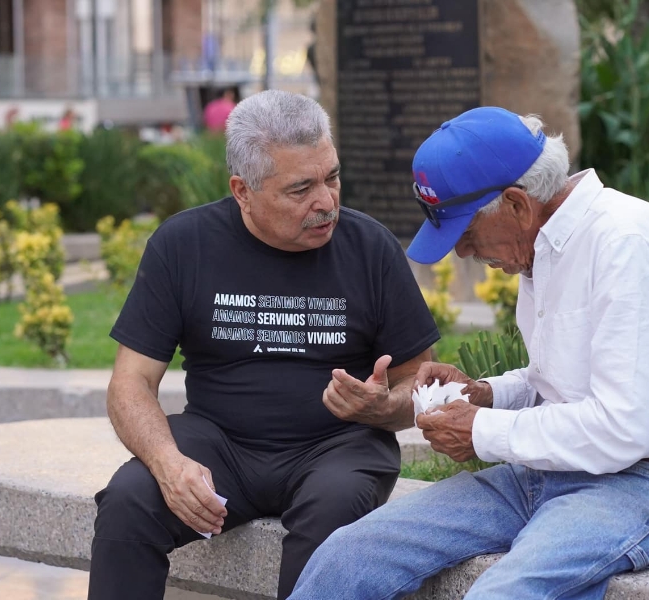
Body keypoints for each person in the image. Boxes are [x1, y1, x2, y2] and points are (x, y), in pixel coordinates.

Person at [289, 107, 649, 599]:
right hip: (550, 472)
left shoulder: (626, 244)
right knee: (349, 554)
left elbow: (625, 426)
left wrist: (482, 431)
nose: (463, 253)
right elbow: (558, 383)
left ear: (516, 204)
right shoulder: (543, 247)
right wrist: (483, 395)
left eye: (465, 234)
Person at [87, 90, 439, 600]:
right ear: (242, 190)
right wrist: (167, 463)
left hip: (338, 446)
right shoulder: (183, 245)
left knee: (333, 514)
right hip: (220, 443)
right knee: (127, 501)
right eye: (300, 188)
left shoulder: (370, 247)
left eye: (332, 177)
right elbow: (130, 382)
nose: (326, 202)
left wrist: (384, 405)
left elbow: (418, 384)